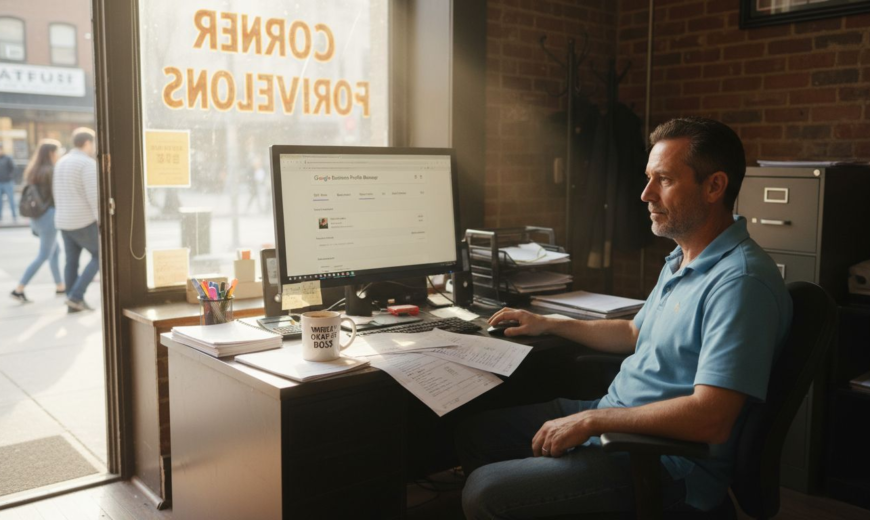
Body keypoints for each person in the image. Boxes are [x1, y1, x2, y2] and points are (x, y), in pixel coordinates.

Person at [458, 117, 793, 518]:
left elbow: (712, 418)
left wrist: (594, 420)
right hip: (617, 417)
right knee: (477, 433)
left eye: (663, 180)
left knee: (486, 493)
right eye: (648, 178)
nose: (645, 194)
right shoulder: (683, 257)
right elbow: (636, 331)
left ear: (714, 186)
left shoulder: (740, 283)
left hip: (665, 463)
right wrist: (550, 323)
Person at [10, 140, 66, 303]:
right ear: (51, 153)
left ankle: (60, 287)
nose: (60, 153)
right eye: (58, 150)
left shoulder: (34, 169)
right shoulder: (51, 170)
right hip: (48, 216)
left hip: (37, 217)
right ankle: (18, 289)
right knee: (44, 255)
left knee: (55, 251)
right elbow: (56, 195)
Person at [54, 128, 99, 313]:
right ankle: (76, 296)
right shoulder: (86, 164)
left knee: (71, 262)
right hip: (83, 220)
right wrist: (101, 222)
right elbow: (94, 196)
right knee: (101, 256)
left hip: (64, 221)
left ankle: (72, 301)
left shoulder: (61, 161)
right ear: (87, 143)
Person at [0, 142, 17, 223]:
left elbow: (13, 169)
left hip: (8, 182)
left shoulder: (7, 158)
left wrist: (10, 177)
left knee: (11, 200)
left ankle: (14, 216)